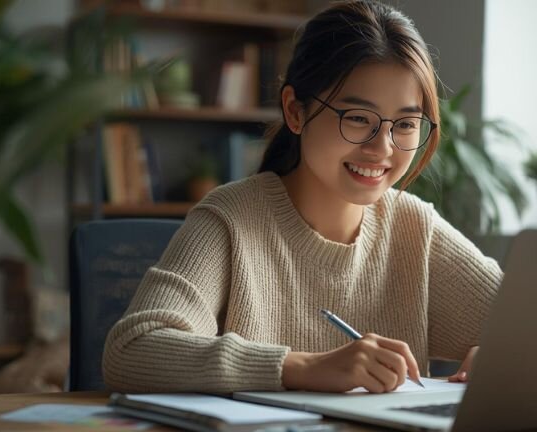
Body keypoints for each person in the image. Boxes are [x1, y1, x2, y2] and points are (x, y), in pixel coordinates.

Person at [103, 0, 501, 394]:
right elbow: (132, 350)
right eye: (358, 118)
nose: (383, 148)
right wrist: (305, 367)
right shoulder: (231, 220)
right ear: (295, 112)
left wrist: (502, 353)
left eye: (406, 124)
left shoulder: (415, 228)